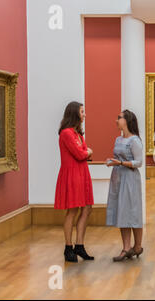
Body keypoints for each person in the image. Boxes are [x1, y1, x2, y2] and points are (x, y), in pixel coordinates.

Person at [54, 101, 95, 262]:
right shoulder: (66, 133)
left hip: (82, 173)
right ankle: (68, 247)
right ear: (74, 114)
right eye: (82, 112)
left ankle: (79, 245)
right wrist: (88, 151)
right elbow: (81, 154)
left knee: (87, 208)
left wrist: (86, 152)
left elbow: (83, 153)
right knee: (72, 210)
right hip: (72, 174)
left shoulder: (77, 133)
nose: (85, 114)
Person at [106, 109, 144, 262]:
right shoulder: (118, 139)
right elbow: (117, 158)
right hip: (118, 178)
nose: (116, 120)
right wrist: (112, 162)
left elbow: (138, 162)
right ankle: (126, 248)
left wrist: (121, 162)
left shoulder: (135, 140)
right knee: (122, 211)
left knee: (133, 211)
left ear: (127, 120)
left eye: (119, 117)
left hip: (130, 179)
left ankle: (137, 246)